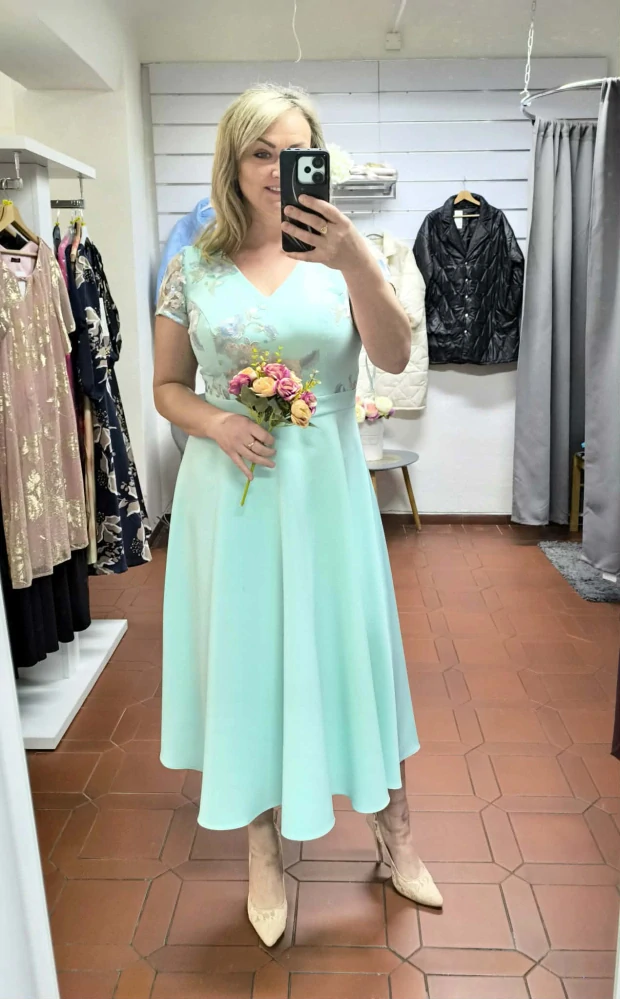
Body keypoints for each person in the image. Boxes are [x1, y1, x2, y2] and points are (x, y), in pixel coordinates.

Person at [153, 83, 442, 948]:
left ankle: (396, 835)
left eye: (297, 153)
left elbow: (392, 353)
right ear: (233, 162)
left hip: (327, 493)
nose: (280, 171)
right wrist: (214, 422)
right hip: (232, 495)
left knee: (352, 649)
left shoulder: (350, 253)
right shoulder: (192, 267)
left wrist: (353, 260)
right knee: (249, 662)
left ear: (322, 162)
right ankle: (262, 849)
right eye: (261, 153)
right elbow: (166, 387)